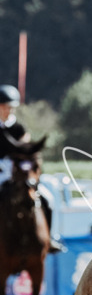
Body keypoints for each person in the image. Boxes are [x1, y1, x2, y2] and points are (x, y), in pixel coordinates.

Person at [0, 84, 66, 253]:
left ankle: (50, 238)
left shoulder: (20, 128)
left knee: (48, 199)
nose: (9, 111)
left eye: (12, 107)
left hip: (19, 172)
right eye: (6, 107)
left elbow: (27, 151)